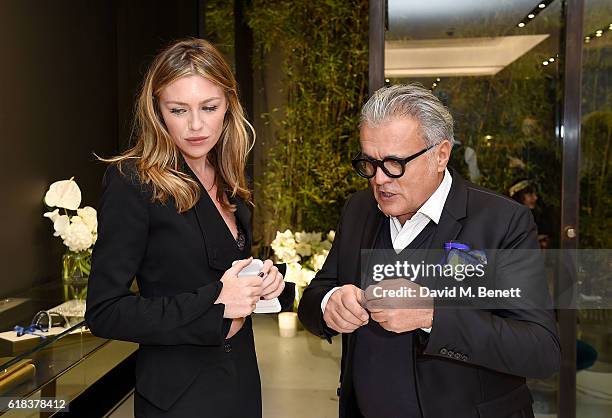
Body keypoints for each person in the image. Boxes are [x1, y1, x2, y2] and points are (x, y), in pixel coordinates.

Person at [298, 84, 560, 418]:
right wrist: (328, 304)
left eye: (394, 163)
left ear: (441, 154)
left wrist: (431, 315)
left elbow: (540, 350)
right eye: (369, 163)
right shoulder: (358, 209)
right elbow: (316, 295)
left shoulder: (502, 222)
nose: (378, 179)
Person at [85, 38, 285, 418]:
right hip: (178, 399)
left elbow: (217, 270)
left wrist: (263, 282)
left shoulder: (229, 177)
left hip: (240, 384)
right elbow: (104, 311)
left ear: (228, 106)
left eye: (210, 108)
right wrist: (214, 304)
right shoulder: (132, 181)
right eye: (178, 110)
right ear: (157, 111)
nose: (196, 125)